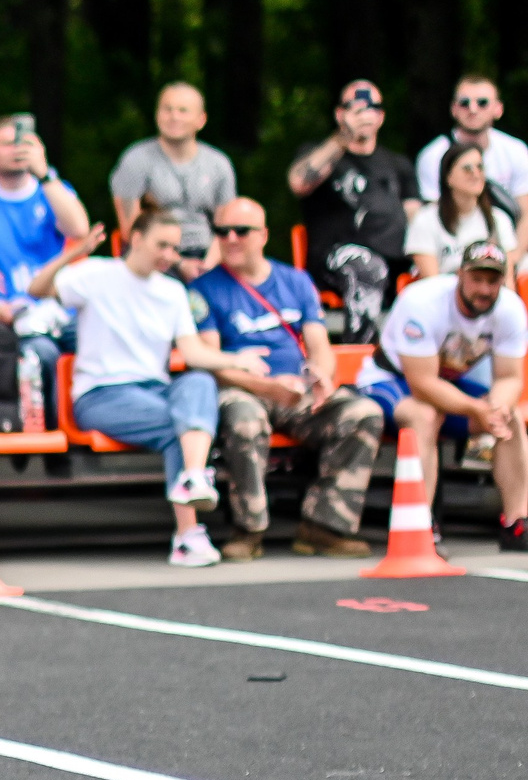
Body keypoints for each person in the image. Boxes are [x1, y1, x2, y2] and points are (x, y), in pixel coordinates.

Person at [29, 207, 272, 567]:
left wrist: (237, 359)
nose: (169, 256)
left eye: (175, 249)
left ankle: (191, 480)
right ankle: (188, 531)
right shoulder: (96, 274)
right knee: (180, 427)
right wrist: (74, 253)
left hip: (153, 390)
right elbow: (36, 289)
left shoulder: (173, 291)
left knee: (198, 382)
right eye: (162, 245)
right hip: (101, 394)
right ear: (135, 238)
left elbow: (193, 352)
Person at [188, 199, 382, 559]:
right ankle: (249, 529)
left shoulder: (295, 281)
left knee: (363, 413)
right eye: (222, 232)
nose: (230, 238)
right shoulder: (203, 289)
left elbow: (319, 346)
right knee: (244, 420)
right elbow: (214, 363)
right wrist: (266, 387)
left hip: (296, 389)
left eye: (241, 231)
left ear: (262, 235)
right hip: (240, 388)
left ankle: (324, 525)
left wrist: (322, 376)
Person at [354, 242, 528, 547]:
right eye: (477, 279)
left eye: (493, 281)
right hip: (391, 380)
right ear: (460, 274)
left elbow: (510, 377)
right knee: (424, 415)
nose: (485, 289)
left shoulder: (511, 309)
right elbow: (422, 383)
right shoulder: (423, 301)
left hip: (447, 382)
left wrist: (496, 407)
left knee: (509, 417)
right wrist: (477, 409)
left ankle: (517, 522)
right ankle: (419, 524)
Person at [0, 115, 92, 426]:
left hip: (61, 309)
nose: (17, 149)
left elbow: (79, 229)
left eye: (24, 142)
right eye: (7, 143)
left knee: (99, 337)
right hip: (8, 314)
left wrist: (45, 175)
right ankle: (52, 435)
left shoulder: (53, 190)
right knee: (42, 353)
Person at [289, 78, 419, 345]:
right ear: (340, 114)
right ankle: (358, 360)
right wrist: (342, 138)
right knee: (366, 266)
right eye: (355, 106)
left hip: (396, 259)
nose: (363, 113)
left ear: (381, 116)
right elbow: (299, 182)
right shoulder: (322, 153)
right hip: (338, 259)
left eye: (371, 106)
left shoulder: (398, 164)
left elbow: (416, 217)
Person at [109, 83, 235, 278]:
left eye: (183, 111)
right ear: (157, 114)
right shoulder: (135, 159)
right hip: (153, 256)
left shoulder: (219, 164)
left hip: (207, 256)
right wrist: (178, 263)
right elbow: (131, 230)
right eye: (167, 109)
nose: (174, 117)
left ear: (201, 120)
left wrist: (206, 267)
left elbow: (227, 227)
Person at [406, 141, 518, 278]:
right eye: (467, 168)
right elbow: (431, 283)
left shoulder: (499, 219)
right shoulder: (426, 219)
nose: (476, 174)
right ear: (448, 177)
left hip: (488, 296)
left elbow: (508, 282)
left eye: (480, 167)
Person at [416, 75, 528, 205]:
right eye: (464, 103)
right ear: (453, 109)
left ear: (498, 109)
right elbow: (433, 215)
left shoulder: (516, 151)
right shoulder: (433, 156)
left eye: (482, 103)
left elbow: (526, 212)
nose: (473, 109)